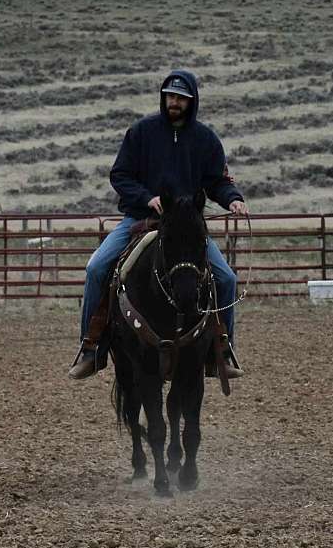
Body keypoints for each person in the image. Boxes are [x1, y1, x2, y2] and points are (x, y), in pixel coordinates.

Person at [69, 69, 248, 380]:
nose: (174, 103)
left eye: (181, 98)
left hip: (186, 226)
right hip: (141, 219)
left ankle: (221, 348)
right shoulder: (141, 132)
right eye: (170, 97)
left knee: (226, 279)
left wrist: (232, 198)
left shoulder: (205, 139)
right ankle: (92, 347)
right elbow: (120, 175)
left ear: (191, 102)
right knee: (96, 268)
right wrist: (147, 197)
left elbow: (218, 180)